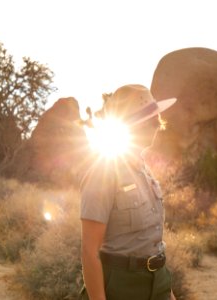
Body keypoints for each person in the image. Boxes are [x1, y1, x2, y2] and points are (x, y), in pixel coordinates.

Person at [79, 84, 177, 300]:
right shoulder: (104, 171)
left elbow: (151, 241)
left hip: (158, 281)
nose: (157, 125)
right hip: (121, 287)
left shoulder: (145, 171)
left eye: (156, 118)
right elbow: (89, 251)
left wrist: (166, 291)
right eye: (150, 120)